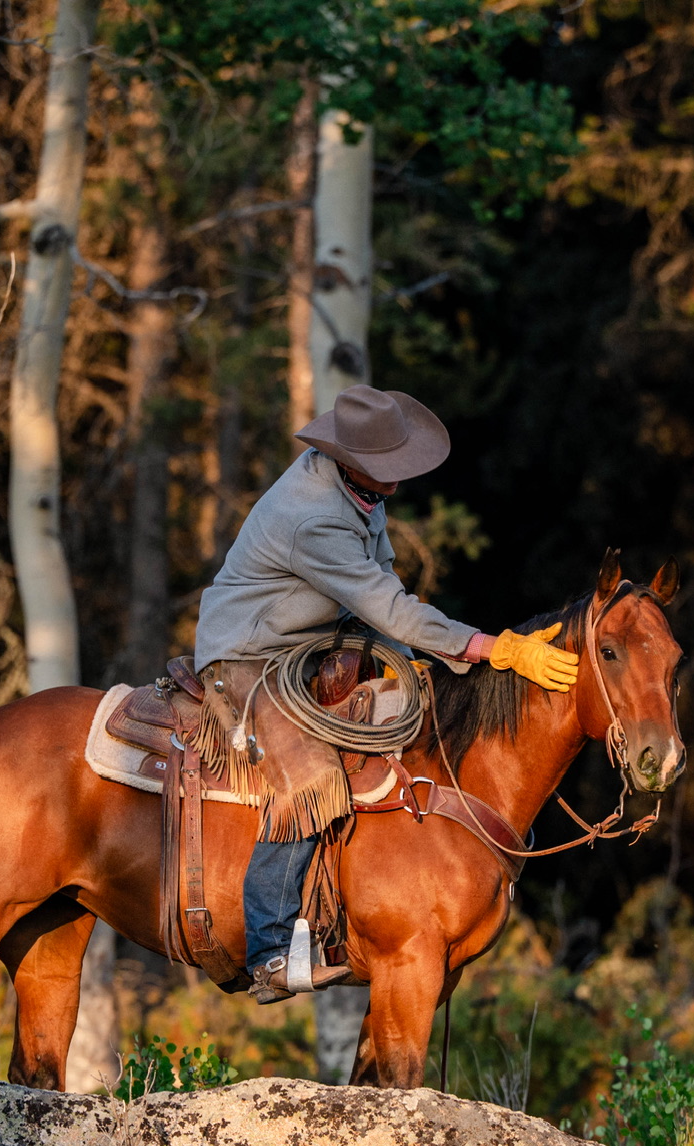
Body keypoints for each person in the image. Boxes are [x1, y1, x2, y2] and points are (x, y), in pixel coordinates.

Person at [193, 386, 579, 1003]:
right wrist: (488, 648)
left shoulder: (361, 492)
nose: (396, 480)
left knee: (412, 704)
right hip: (247, 655)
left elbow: (384, 581)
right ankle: (268, 952)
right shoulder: (313, 515)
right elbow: (388, 606)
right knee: (309, 775)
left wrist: (431, 657)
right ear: (351, 460)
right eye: (385, 468)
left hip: (311, 640)